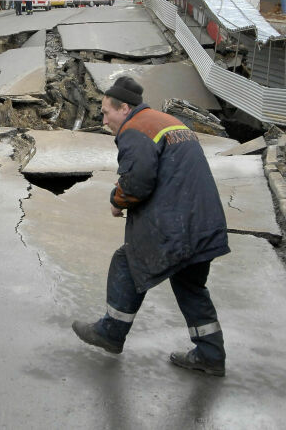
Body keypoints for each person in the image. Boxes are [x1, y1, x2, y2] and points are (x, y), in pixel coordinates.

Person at [71, 76, 230, 377]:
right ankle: (211, 354)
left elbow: (138, 181)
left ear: (124, 108)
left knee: (128, 261)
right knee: (190, 284)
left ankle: (110, 332)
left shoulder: (136, 129)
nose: (103, 120)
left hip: (179, 227)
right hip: (204, 222)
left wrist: (118, 200)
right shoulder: (168, 121)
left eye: (106, 113)